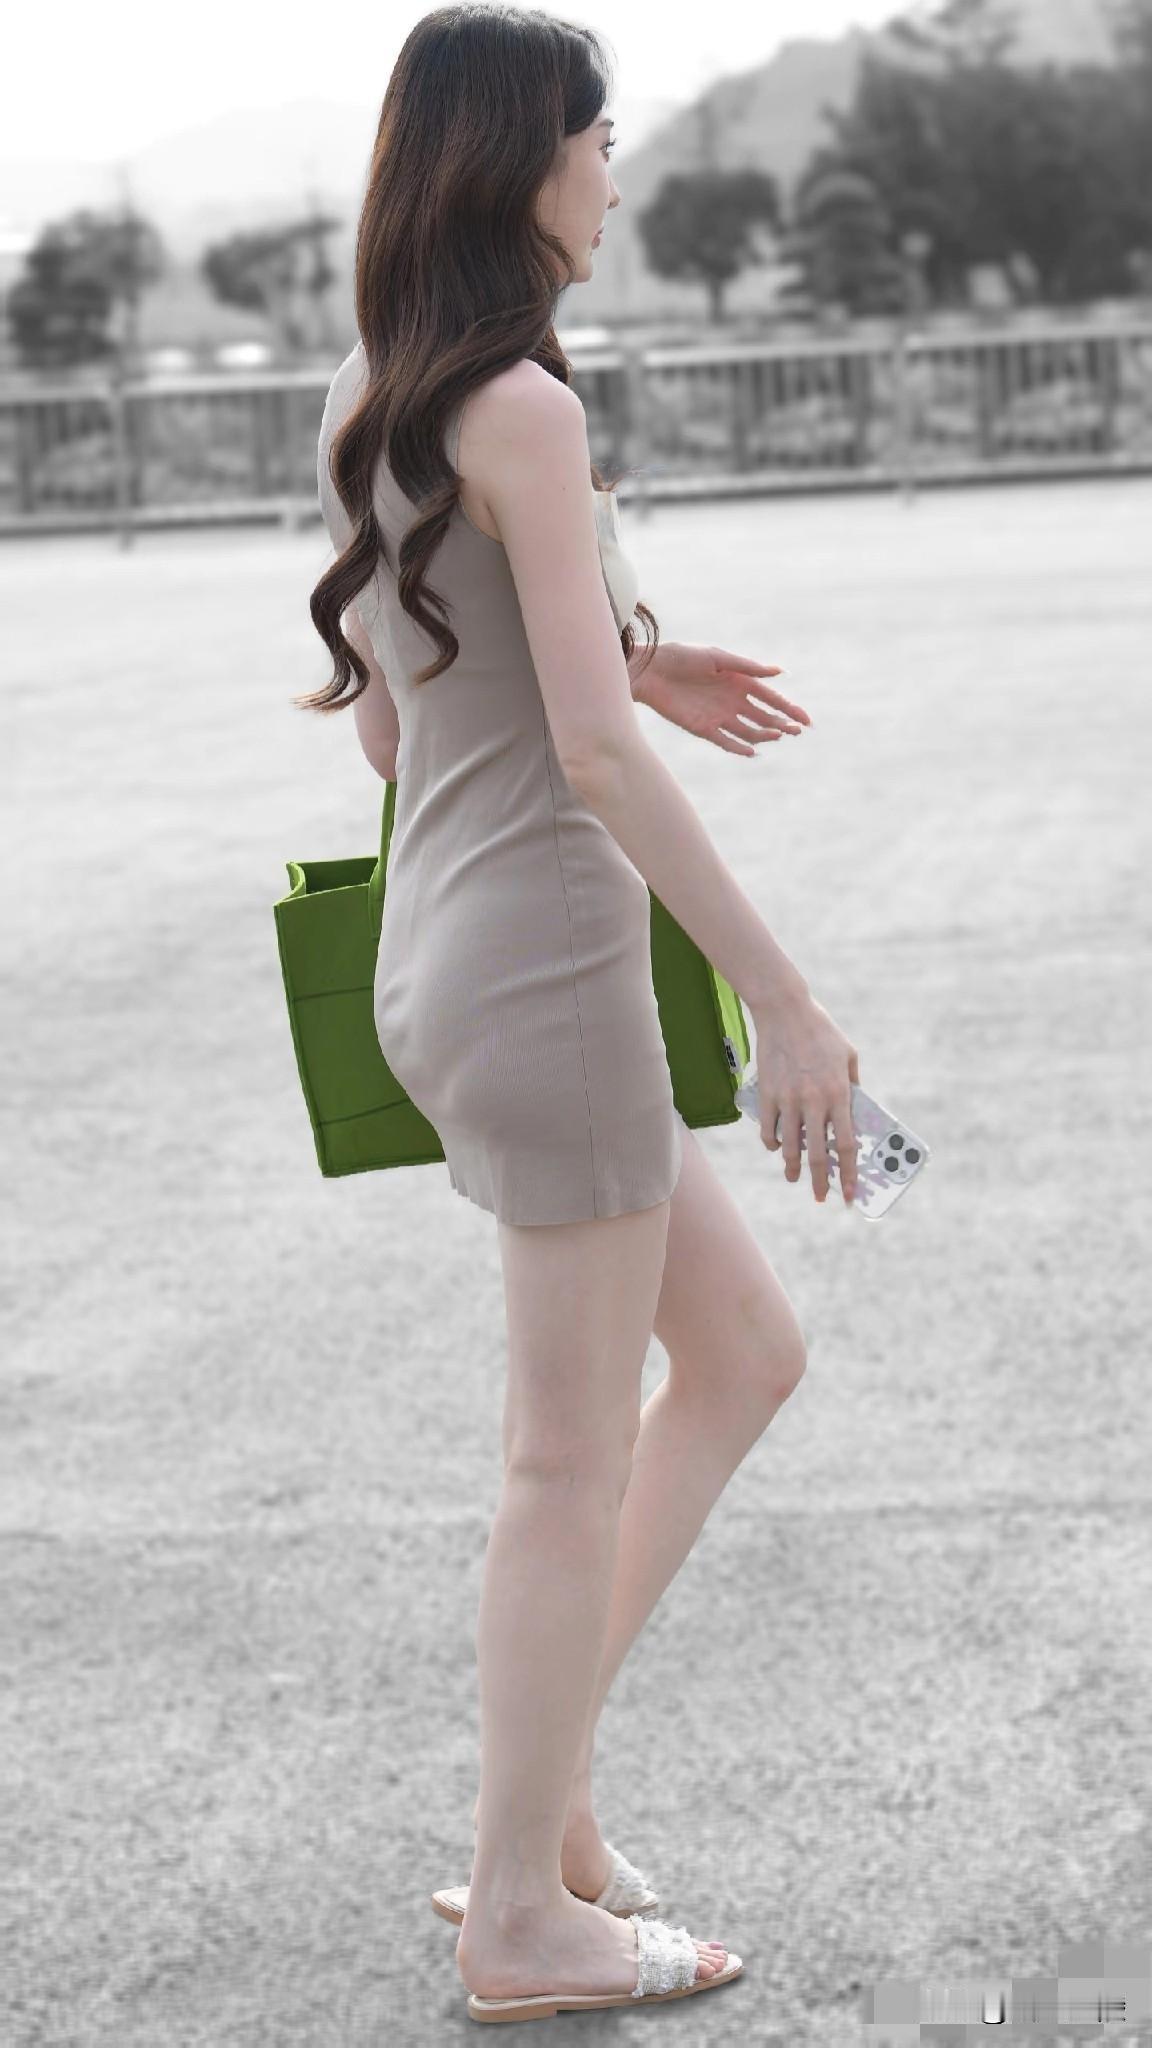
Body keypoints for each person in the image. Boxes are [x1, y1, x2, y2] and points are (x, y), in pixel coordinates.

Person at [302, 4, 861, 2021]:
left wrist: (624, 648)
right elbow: (595, 763)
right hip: (549, 968)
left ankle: (537, 1829)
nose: (614, 172)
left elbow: (396, 725)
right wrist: (787, 1005)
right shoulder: (525, 406)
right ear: (522, 161)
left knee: (744, 1350)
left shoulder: (376, 392)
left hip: (443, 956)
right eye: (599, 140)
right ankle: (523, 1909)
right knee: (564, 1460)